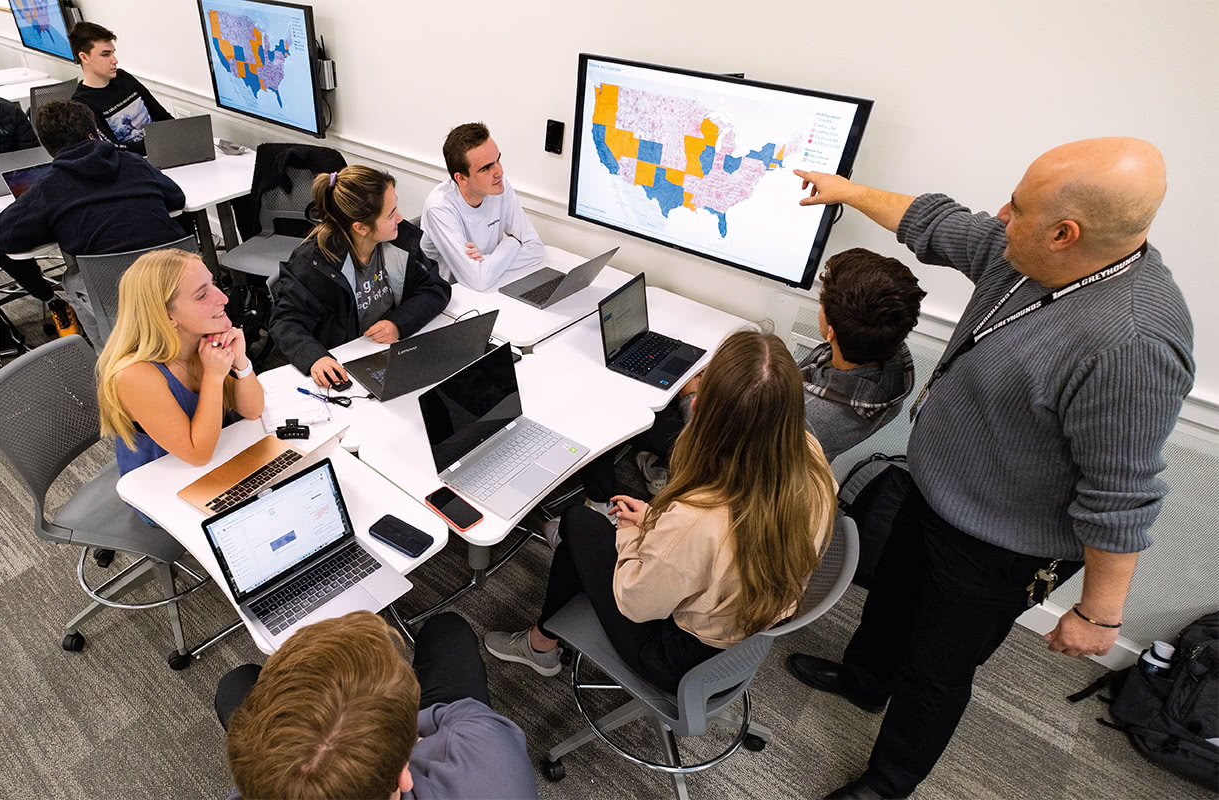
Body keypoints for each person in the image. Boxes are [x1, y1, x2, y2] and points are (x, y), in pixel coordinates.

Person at [784, 138, 1194, 800]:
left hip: (1001, 544)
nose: (1001, 214)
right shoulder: (1028, 256)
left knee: (936, 668)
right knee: (890, 597)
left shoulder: (1131, 345)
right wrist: (849, 190)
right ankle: (862, 682)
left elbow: (1119, 496)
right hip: (935, 490)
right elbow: (934, 222)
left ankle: (887, 783)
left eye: (1019, 207)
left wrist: (1099, 616)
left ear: (1065, 233)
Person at [486, 329, 838, 693]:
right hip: (741, 627)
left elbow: (635, 603)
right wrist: (657, 525)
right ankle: (547, 624)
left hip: (675, 656)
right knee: (590, 539)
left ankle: (540, 644)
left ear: (702, 409)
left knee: (579, 524)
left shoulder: (698, 520)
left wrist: (632, 533)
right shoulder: (810, 456)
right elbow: (713, 549)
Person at [577, 247, 923, 521]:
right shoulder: (892, 359)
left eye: (822, 302)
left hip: (731, 467)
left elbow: (722, 452)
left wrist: (692, 396)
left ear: (830, 331)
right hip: (767, 446)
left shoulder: (809, 417)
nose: (819, 305)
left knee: (613, 403)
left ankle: (602, 505)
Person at [218, 611, 538, 800]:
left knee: (236, 684)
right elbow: (460, 713)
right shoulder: (494, 764)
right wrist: (397, 729)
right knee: (448, 630)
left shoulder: (257, 787)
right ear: (404, 775)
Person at [0, 100, 187, 342]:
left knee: (72, 279)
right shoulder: (134, 162)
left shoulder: (49, 188)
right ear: (94, 132)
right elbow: (177, 199)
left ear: (48, 148)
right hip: (176, 274)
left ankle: (108, 354)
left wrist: (54, 225)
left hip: (117, 293)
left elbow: (4, 235)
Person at [269, 165, 451, 388]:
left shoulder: (400, 240)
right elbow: (285, 321)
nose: (401, 219)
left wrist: (398, 324)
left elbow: (435, 288)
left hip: (388, 354)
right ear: (361, 228)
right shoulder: (314, 263)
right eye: (391, 213)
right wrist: (315, 358)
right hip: (347, 364)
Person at [97, 248, 263, 480]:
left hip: (215, 462)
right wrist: (213, 378)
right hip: (165, 488)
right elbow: (198, 454)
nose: (223, 298)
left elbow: (253, 410)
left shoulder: (203, 343)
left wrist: (241, 361)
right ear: (167, 316)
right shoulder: (136, 375)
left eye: (213, 284)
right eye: (202, 295)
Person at [420, 122, 544, 290]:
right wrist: (513, 243)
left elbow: (535, 249)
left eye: (498, 160)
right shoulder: (439, 207)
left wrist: (487, 263)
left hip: (491, 289)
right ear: (461, 178)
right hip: (451, 299)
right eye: (486, 168)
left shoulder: (499, 186)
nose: (499, 172)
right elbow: (477, 280)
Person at [68, 22, 172, 156]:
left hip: (162, 151)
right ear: (84, 57)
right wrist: (160, 143)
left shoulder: (123, 78)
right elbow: (112, 147)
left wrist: (177, 136)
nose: (114, 60)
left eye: (113, 53)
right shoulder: (81, 103)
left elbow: (162, 116)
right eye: (105, 54)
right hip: (133, 163)